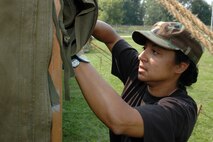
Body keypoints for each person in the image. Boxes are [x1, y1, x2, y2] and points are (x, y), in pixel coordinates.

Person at [71, 20, 204, 142]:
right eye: (144, 48)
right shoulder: (141, 72)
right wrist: (79, 20)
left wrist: (73, 57)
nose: (141, 56)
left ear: (181, 66)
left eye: (155, 52)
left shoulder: (180, 111)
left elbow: (120, 121)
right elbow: (112, 38)